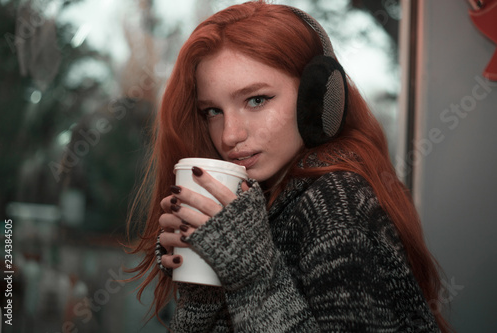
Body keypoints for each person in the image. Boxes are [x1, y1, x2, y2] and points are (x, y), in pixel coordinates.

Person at [126, 1, 451, 332]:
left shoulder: (335, 204)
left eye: (257, 100)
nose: (229, 135)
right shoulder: (265, 198)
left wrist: (249, 276)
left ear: (319, 98)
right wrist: (204, 287)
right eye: (212, 111)